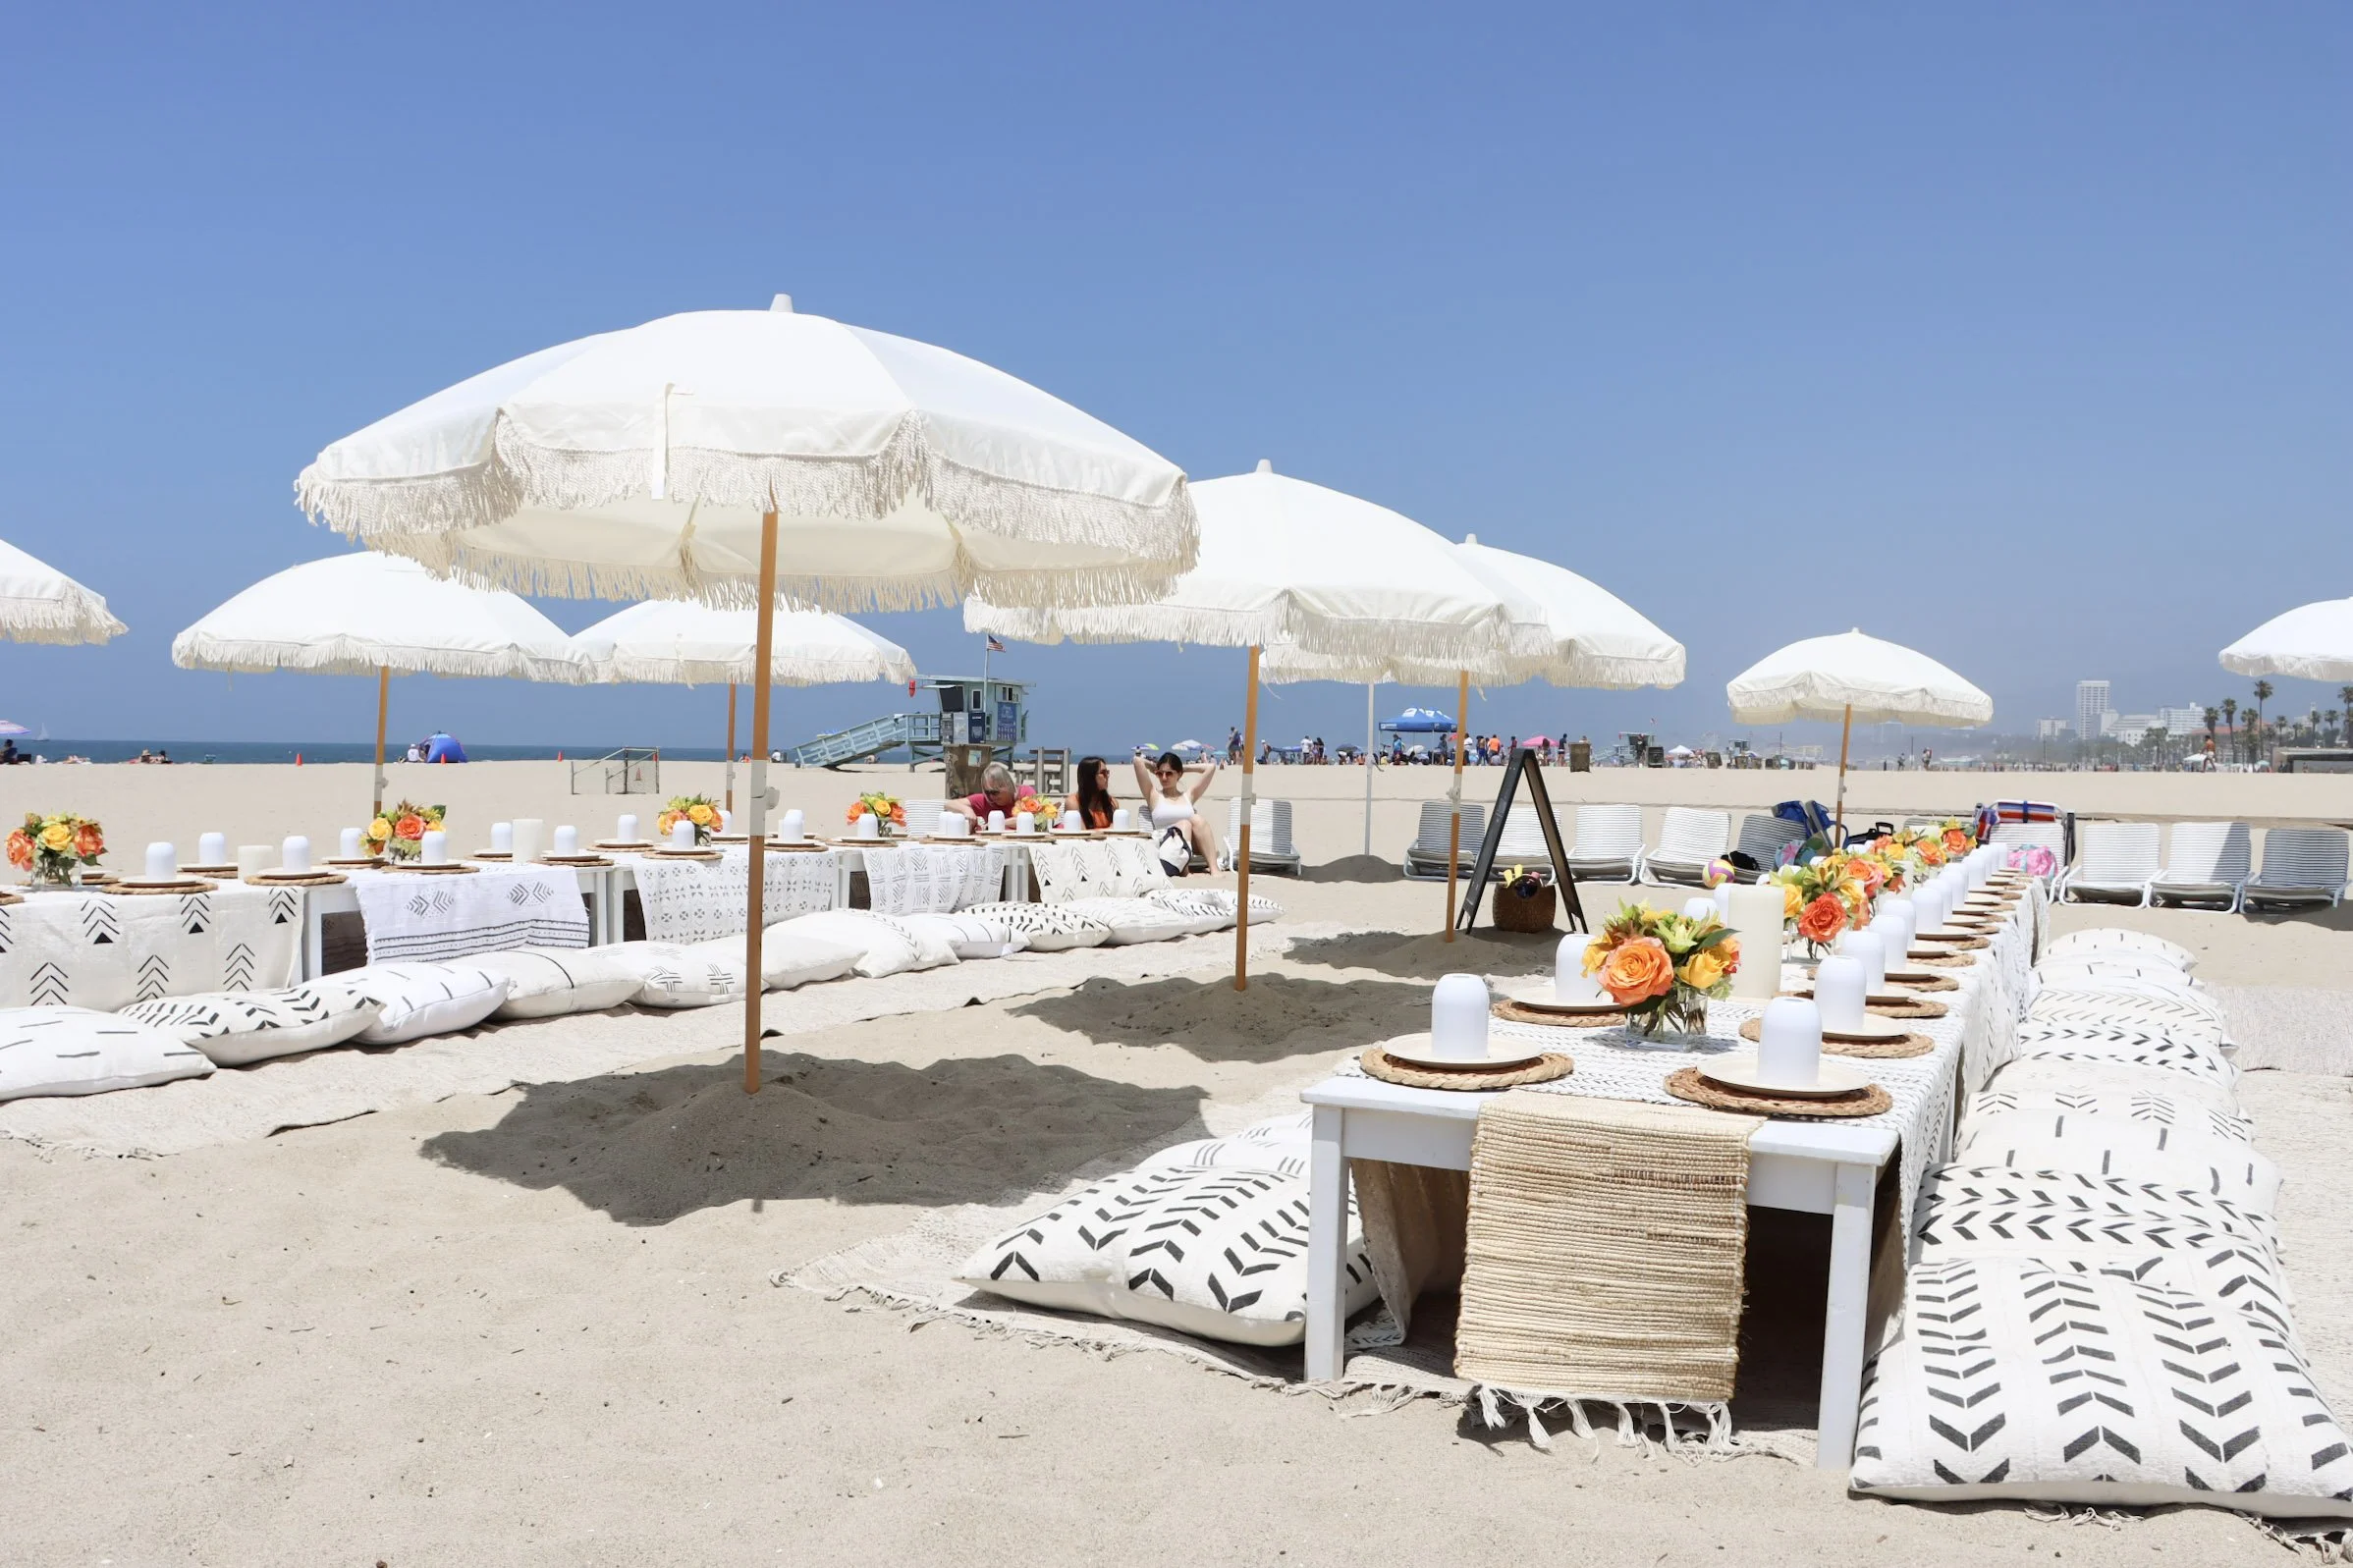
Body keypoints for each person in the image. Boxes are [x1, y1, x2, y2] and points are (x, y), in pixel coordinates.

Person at [1134, 749, 1217, 871]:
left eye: (1169, 773)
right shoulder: (1153, 795)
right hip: (1166, 844)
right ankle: (1185, 871)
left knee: (1197, 819)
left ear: (1179, 774)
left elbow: (1211, 767)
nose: (1163, 777)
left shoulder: (1188, 796)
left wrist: (1184, 768)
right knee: (1185, 823)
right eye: (1160, 773)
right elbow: (1137, 761)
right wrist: (1153, 766)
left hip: (1191, 843)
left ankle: (1214, 869)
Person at [947, 760, 1038, 825]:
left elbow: (1031, 818)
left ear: (1007, 785)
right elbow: (949, 804)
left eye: (995, 792)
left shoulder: (1025, 793)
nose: (991, 796)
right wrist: (967, 810)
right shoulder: (986, 800)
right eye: (987, 792)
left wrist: (996, 823)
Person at [1064, 754, 1119, 829]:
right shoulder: (1073, 803)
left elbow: (1119, 829)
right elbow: (1081, 833)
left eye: (1107, 772)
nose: (1107, 776)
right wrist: (1109, 830)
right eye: (1103, 773)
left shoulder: (1112, 803)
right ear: (1089, 777)